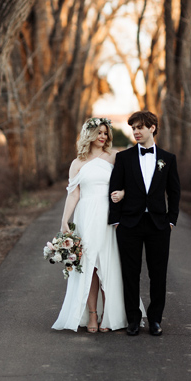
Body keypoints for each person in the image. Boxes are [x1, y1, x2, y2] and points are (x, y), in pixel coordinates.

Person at [51, 117, 134, 333]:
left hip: (108, 217)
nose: (103, 136)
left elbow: (129, 183)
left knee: (109, 264)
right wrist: (64, 221)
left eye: (106, 133)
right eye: (99, 132)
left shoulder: (114, 157)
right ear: (89, 134)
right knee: (89, 266)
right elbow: (73, 194)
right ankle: (92, 315)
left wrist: (123, 193)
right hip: (86, 216)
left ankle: (110, 314)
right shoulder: (77, 163)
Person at [108, 110, 180, 336]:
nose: (136, 132)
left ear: (152, 128)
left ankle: (156, 320)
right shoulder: (124, 158)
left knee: (158, 274)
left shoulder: (168, 159)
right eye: (133, 128)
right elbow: (114, 189)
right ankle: (133, 319)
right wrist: (117, 221)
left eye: (140, 127)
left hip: (159, 225)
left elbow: (174, 192)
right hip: (129, 224)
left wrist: (171, 221)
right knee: (130, 273)